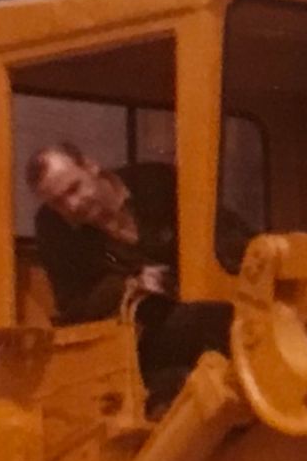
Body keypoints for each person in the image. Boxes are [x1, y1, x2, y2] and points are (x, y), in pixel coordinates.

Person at [25, 142, 247, 412]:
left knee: (226, 317)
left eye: (74, 188)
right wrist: (133, 285)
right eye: (58, 202)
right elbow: (73, 302)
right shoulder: (54, 229)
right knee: (202, 326)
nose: (72, 205)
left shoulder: (158, 182)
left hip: (213, 298)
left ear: (90, 166)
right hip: (138, 333)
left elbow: (224, 230)